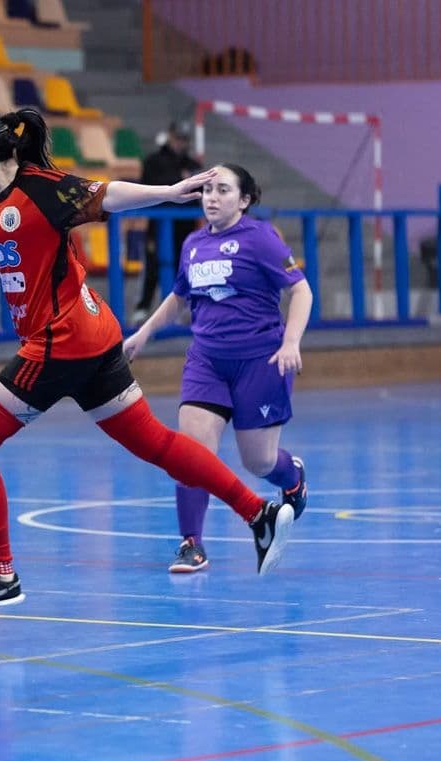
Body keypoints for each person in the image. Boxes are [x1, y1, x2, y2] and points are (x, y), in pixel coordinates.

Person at [0, 108, 296, 606]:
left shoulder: (43, 189)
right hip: (91, 337)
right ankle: (257, 513)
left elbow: (108, 193)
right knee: (154, 442)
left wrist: (168, 193)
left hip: (59, 341)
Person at [124, 164, 311, 573]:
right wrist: (144, 333)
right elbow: (178, 298)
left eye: (222, 190)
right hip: (206, 361)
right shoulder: (192, 244)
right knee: (191, 454)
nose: (211, 197)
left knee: (258, 463)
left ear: (243, 200)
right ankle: (191, 543)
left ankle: (292, 477)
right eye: (207, 190)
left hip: (260, 361)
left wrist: (291, 341)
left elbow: (300, 290)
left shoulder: (262, 239)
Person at [131, 121, 202, 325]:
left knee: (184, 267)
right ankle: (143, 307)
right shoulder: (153, 161)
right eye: (178, 138)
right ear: (170, 136)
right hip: (159, 226)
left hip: (185, 227)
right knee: (152, 266)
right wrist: (180, 179)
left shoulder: (192, 165)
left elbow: (200, 192)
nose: (181, 143)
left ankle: (182, 308)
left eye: (184, 139)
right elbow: (149, 186)